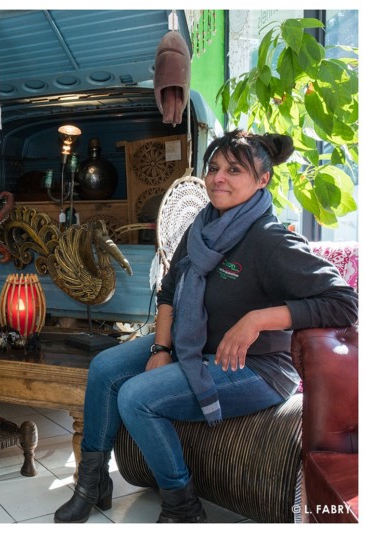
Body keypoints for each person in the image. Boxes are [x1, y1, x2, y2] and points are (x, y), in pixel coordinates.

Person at [54, 130, 358, 523]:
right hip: (191, 347)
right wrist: (161, 350)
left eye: (234, 170)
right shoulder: (203, 225)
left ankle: (183, 506)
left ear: (262, 180)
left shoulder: (271, 241)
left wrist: (258, 320)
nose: (219, 178)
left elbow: (344, 302)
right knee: (105, 368)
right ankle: (93, 483)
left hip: (256, 368)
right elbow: (168, 290)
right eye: (214, 168)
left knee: (136, 397)